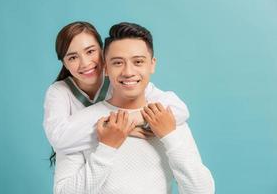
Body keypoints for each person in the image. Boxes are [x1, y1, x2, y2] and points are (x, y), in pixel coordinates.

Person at [53, 22, 215, 194]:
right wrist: (106, 148)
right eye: (117, 63)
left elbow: (202, 191)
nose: (128, 72)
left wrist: (170, 137)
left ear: (152, 64)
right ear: (106, 68)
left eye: (138, 61)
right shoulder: (81, 124)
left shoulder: (166, 118)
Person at [43, 22, 189, 164]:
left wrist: (130, 120)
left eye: (90, 51)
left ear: (103, 52)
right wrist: (119, 131)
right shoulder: (59, 91)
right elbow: (59, 139)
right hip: (85, 169)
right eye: (73, 57)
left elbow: (178, 109)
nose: (85, 63)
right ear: (64, 63)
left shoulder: (120, 81)